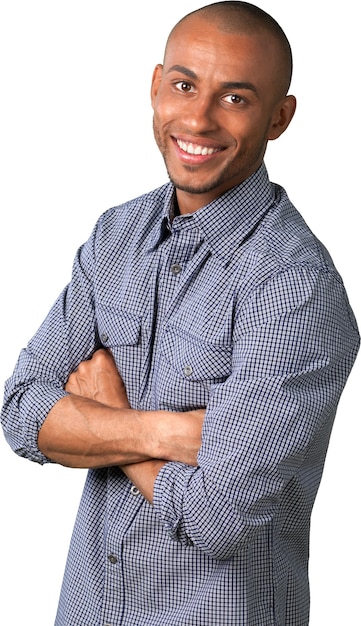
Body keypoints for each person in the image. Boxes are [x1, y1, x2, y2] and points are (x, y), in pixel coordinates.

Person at [1, 1, 359, 624]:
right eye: (184, 85)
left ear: (280, 118)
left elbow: (218, 517)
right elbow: (20, 413)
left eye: (236, 98)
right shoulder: (115, 236)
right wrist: (163, 432)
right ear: (155, 86)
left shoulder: (296, 287)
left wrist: (104, 417)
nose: (197, 118)